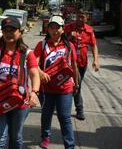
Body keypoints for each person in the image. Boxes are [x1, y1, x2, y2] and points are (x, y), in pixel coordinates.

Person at [0, 17, 40, 149]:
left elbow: (34, 74)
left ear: (20, 32)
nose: (8, 33)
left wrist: (34, 92)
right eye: (5, 30)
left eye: (12, 30)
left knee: (16, 137)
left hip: (20, 102)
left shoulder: (27, 53)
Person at [34, 16, 78, 149]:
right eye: (51, 27)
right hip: (46, 88)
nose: (54, 31)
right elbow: (34, 64)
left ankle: (69, 145)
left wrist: (76, 83)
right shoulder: (41, 45)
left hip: (65, 88)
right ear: (48, 29)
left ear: (63, 29)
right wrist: (41, 73)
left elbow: (74, 66)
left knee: (65, 118)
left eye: (57, 27)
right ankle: (45, 137)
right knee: (46, 114)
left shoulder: (69, 46)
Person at [64, 9, 99, 120]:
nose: (80, 19)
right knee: (75, 85)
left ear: (86, 18)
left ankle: (69, 108)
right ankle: (78, 109)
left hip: (82, 63)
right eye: (78, 16)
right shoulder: (69, 28)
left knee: (76, 85)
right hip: (69, 63)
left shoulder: (89, 30)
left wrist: (96, 60)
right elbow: (60, 41)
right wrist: (70, 36)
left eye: (82, 17)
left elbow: (94, 46)